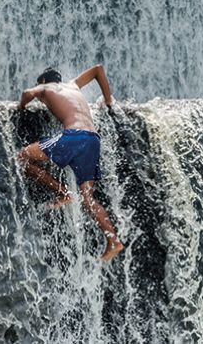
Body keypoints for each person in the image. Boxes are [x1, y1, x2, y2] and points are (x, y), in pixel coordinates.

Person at [16, 65, 125, 262]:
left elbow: (26, 93)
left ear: (43, 81)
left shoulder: (46, 88)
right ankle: (113, 240)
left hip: (73, 137)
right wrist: (108, 100)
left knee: (21, 158)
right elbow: (98, 70)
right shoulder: (73, 86)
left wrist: (21, 107)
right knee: (87, 198)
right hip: (92, 139)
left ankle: (63, 192)